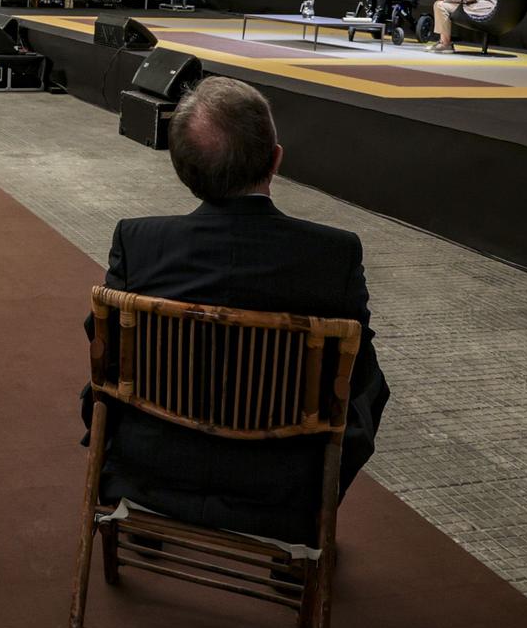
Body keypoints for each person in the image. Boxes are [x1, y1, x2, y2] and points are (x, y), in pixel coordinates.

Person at [84, 76, 388, 538]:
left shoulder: (138, 243)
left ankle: (147, 515)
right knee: (366, 377)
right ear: (276, 160)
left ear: (183, 171)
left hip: (149, 464)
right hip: (286, 482)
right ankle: (310, 531)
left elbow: (101, 343)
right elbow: (353, 371)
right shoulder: (333, 256)